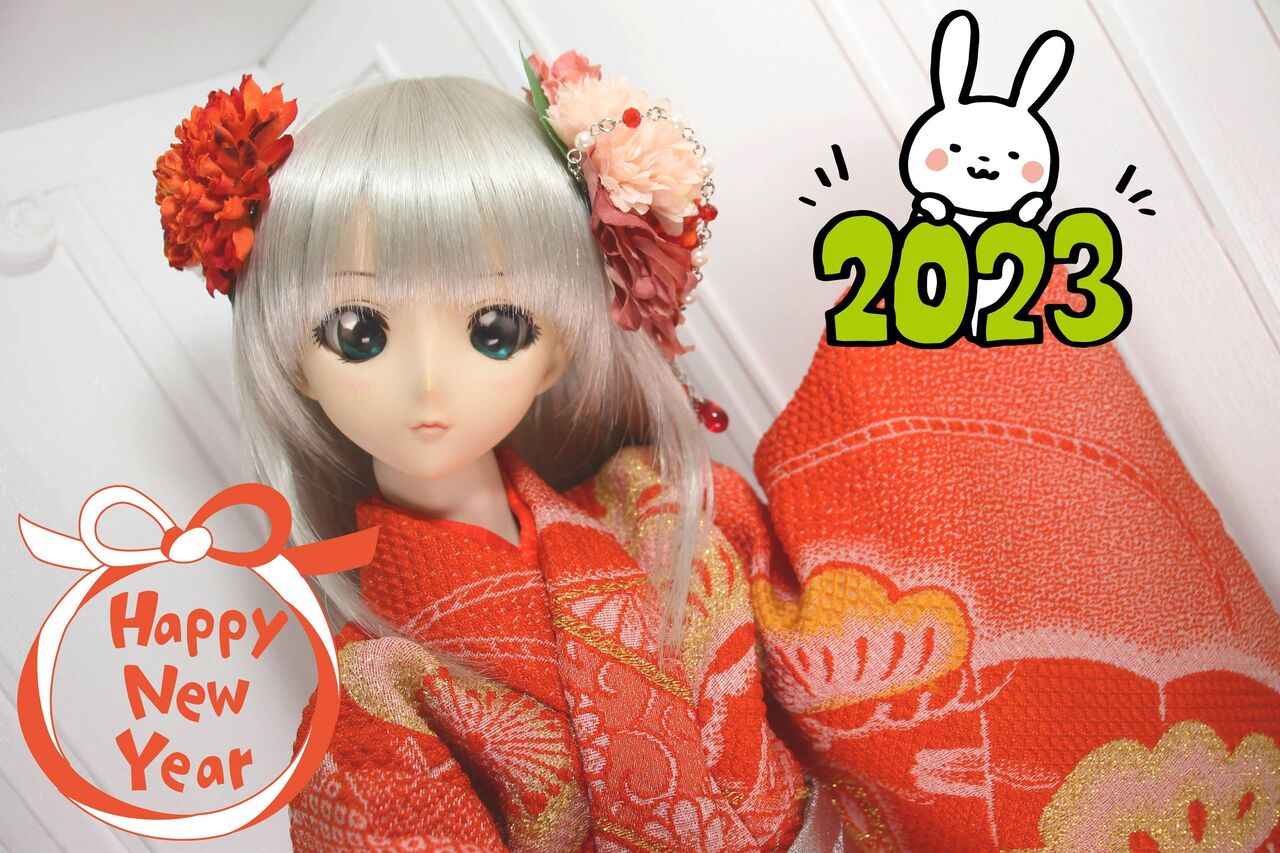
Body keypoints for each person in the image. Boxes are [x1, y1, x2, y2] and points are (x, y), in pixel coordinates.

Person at [153, 53, 1280, 853]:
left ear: (558, 347)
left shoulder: (668, 510)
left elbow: (878, 643)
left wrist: (957, 316)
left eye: (494, 327)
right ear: (291, 356)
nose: (428, 382)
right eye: (359, 332)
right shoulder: (373, 693)